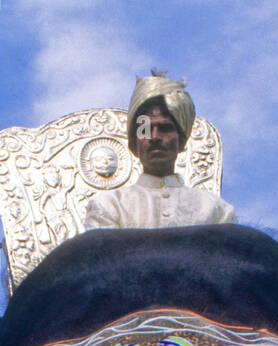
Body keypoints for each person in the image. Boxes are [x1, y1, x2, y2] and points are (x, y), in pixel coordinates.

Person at [83, 71, 236, 230]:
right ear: (135, 143)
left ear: (182, 140)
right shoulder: (109, 206)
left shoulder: (216, 212)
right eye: (145, 130)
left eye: (165, 128)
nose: (155, 137)